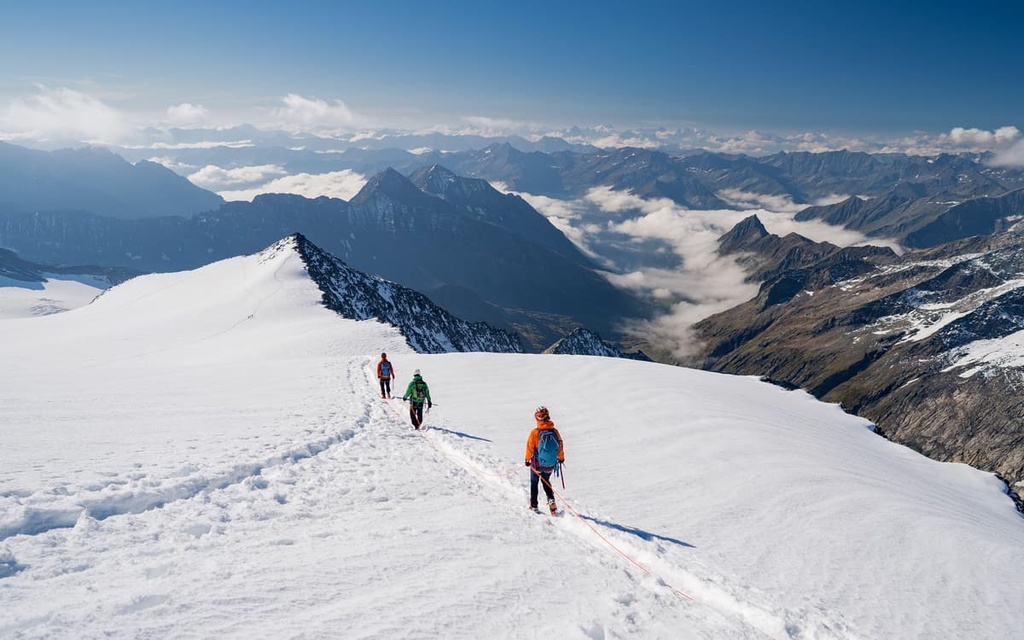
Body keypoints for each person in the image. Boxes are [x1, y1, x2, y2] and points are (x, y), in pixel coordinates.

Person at [524, 406, 565, 514]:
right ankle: (551, 500)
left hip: (536, 463)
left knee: (534, 483)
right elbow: (560, 445)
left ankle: (534, 506)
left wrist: (527, 459)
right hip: (550, 464)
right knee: (546, 481)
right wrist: (561, 458)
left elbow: (530, 447)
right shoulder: (555, 431)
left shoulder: (535, 432)